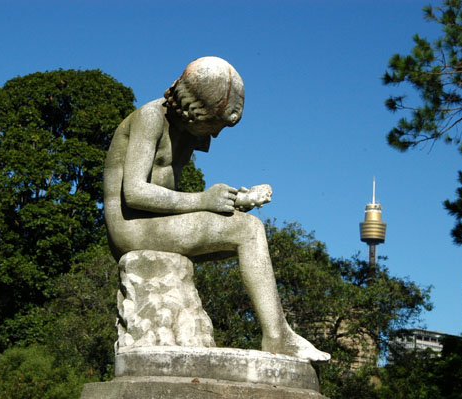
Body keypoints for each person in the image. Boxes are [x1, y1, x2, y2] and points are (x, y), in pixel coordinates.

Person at [103, 56, 329, 362]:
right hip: (131, 226)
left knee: (240, 225)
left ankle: (278, 334)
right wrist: (203, 201)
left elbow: (177, 198)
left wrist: (234, 201)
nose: (216, 135)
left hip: (157, 221)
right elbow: (135, 192)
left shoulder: (186, 130)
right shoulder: (150, 118)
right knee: (248, 231)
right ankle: (277, 336)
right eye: (213, 124)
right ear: (192, 110)